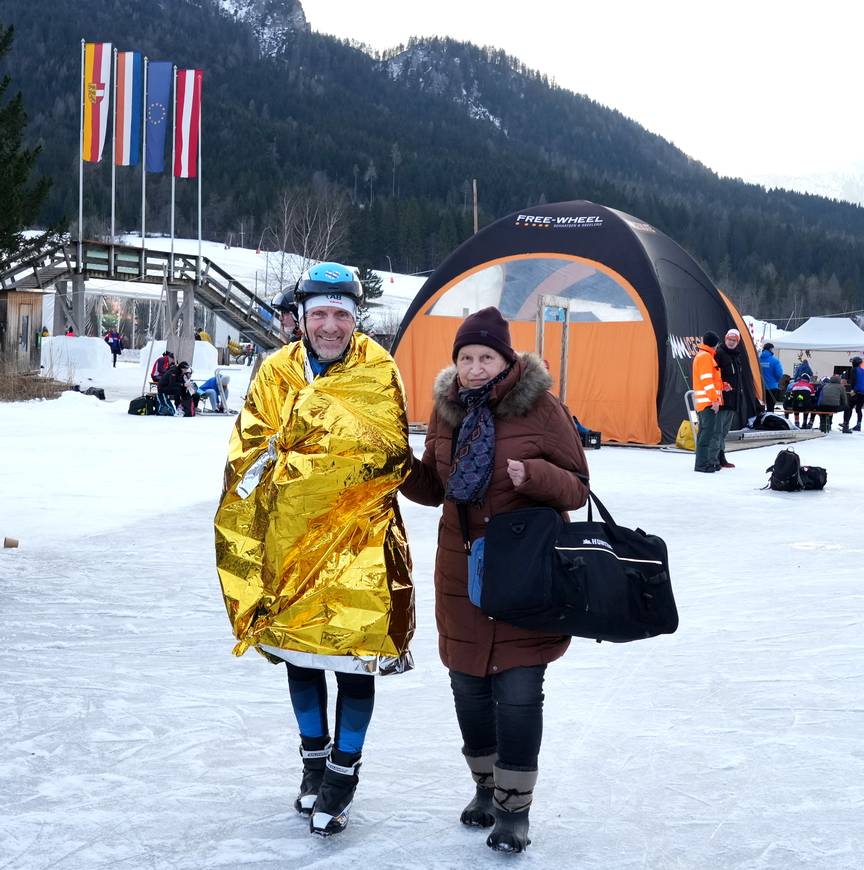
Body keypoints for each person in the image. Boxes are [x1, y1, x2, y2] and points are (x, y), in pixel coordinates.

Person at [214, 262, 414, 838]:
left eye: (341, 315)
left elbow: (385, 455)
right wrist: (303, 460)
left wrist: (301, 454)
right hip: (290, 540)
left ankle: (343, 772)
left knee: (353, 659)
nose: (330, 326)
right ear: (301, 318)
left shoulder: (378, 370)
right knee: (299, 653)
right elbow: (249, 452)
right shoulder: (278, 369)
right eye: (319, 314)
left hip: (359, 542)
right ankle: (312, 762)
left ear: (356, 318)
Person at [400, 307, 589, 854]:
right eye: (466, 358)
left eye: (486, 357)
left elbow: (578, 486)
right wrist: (397, 468)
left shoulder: (542, 408)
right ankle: (485, 789)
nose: (475, 368)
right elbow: (437, 487)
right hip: (462, 570)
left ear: (507, 360)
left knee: (520, 690)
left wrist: (532, 476)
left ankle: (514, 811)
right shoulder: (447, 411)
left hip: (527, 569)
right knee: (469, 689)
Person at [692, 331, 724, 473]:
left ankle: (702, 463)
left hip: (704, 403)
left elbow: (710, 381)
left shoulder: (703, 356)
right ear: (715, 344)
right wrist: (715, 400)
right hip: (708, 403)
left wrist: (723, 387)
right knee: (707, 434)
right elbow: (707, 382)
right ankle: (702, 465)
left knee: (704, 433)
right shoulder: (706, 357)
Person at [712, 328, 742, 469]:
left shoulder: (736, 356)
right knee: (718, 431)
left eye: (734, 340)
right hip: (721, 399)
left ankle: (721, 455)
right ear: (725, 339)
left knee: (724, 431)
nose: (731, 342)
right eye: (729, 339)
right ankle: (716, 457)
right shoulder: (719, 354)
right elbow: (714, 376)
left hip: (732, 399)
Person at [841, 355, 864, 433]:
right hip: (862, 393)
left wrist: (852, 389)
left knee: (848, 407)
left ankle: (846, 423)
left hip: (855, 391)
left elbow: (853, 380)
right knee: (858, 409)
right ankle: (858, 425)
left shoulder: (854, 370)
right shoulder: (863, 370)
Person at [759, 342, 784, 412]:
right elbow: (779, 374)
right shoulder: (775, 360)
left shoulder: (758, 359)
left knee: (760, 406)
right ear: (770, 349)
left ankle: (760, 421)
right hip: (772, 387)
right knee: (770, 407)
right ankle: (769, 421)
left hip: (760, 387)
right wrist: (776, 381)